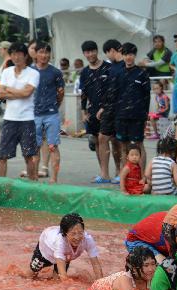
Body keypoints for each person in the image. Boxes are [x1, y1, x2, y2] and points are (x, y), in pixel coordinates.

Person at [0, 43, 40, 180]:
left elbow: (27, 93)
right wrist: (18, 93)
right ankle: (1, 187)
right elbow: (0, 95)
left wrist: (8, 90)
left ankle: (34, 186)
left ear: (25, 55)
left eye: (18, 53)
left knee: (29, 155)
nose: (15, 57)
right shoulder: (6, 72)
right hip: (9, 118)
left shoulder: (33, 73)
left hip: (27, 119)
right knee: (3, 155)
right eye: (13, 54)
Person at [29, 212, 104, 281]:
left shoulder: (87, 239)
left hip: (65, 254)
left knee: (57, 281)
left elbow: (96, 264)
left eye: (80, 232)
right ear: (65, 233)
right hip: (46, 249)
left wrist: (101, 284)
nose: (77, 237)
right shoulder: (60, 242)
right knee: (31, 275)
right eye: (73, 234)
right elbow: (63, 277)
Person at [110, 43, 151, 167]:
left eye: (131, 54)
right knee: (123, 146)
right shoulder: (118, 74)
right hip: (121, 115)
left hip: (137, 116)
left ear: (135, 56)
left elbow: (146, 97)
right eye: (126, 54)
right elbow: (114, 95)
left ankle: (142, 177)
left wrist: (145, 115)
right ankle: (125, 176)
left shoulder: (142, 74)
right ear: (122, 56)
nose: (129, 57)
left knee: (138, 145)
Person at [79, 40, 114, 183]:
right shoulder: (85, 72)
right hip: (93, 110)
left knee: (107, 140)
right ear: (84, 54)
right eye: (87, 52)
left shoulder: (108, 68)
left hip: (108, 109)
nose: (90, 54)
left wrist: (105, 107)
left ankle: (117, 171)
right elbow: (84, 93)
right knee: (97, 141)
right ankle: (103, 173)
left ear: (97, 51)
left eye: (92, 51)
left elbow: (113, 90)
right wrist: (83, 111)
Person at [79, 248, 156, 290]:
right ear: (134, 269)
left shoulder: (151, 276)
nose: (151, 269)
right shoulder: (125, 280)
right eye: (146, 265)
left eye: (153, 264)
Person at [32, 42, 64, 184]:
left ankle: (54, 179)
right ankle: (34, 179)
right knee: (34, 147)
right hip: (33, 114)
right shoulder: (30, 71)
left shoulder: (55, 72)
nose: (44, 55)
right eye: (41, 52)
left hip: (51, 114)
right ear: (36, 53)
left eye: (46, 52)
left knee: (53, 146)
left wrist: (55, 105)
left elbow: (60, 93)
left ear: (50, 54)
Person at [95, 39, 125, 183]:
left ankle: (121, 172)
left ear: (112, 51)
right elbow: (109, 90)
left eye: (108, 54)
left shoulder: (125, 66)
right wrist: (103, 106)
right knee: (102, 137)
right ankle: (104, 174)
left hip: (121, 109)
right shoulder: (110, 68)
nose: (108, 57)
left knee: (119, 141)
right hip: (109, 108)